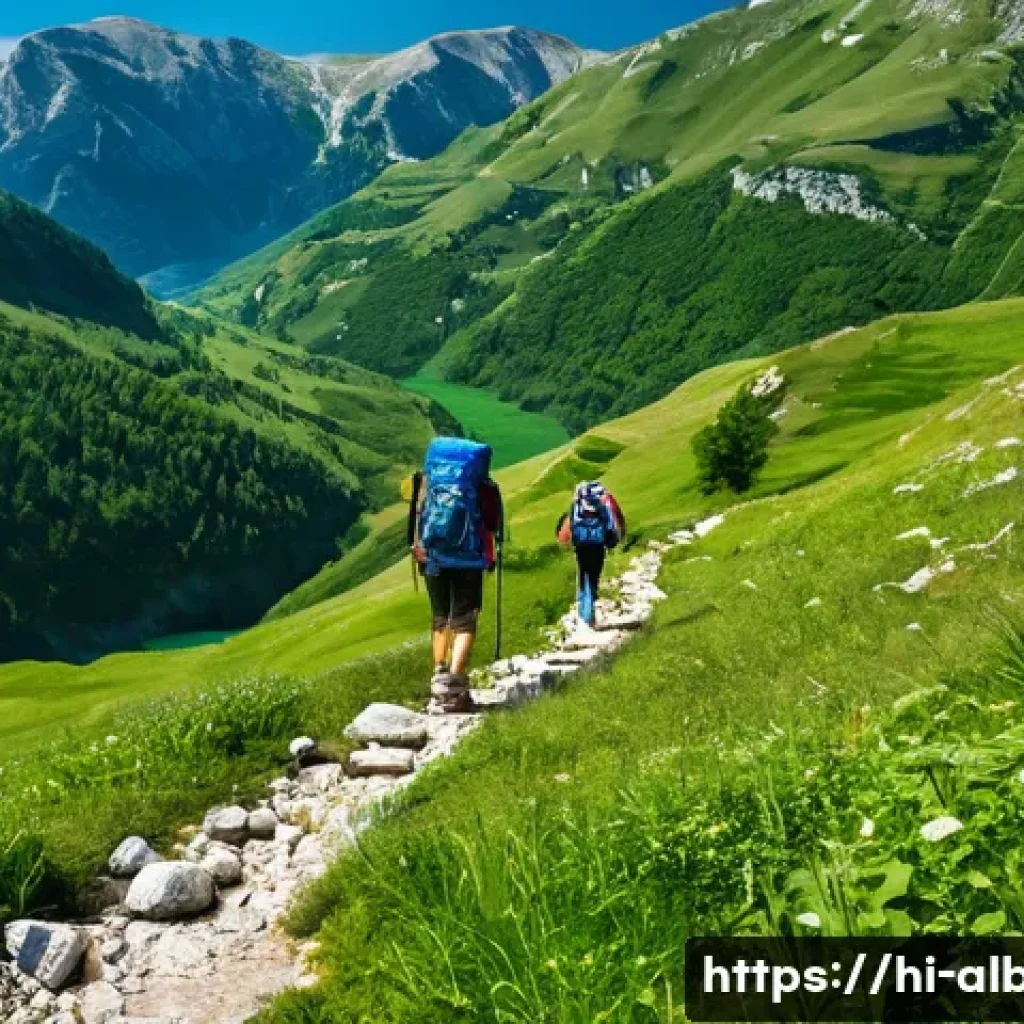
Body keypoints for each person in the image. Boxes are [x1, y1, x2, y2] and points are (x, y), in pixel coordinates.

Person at [409, 437, 503, 713]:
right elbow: (493, 524)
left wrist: (419, 550)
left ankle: (439, 673)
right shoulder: (483, 487)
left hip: (433, 558)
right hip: (468, 560)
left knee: (440, 617)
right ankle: (453, 685)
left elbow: (416, 517)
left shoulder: (427, 481)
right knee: (465, 621)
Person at [556, 481, 625, 628]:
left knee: (584, 577)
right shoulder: (603, 510)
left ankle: (585, 613)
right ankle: (588, 615)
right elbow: (611, 530)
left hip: (581, 548)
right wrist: (612, 543)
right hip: (598, 549)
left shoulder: (576, 508)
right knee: (592, 578)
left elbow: (569, 529)